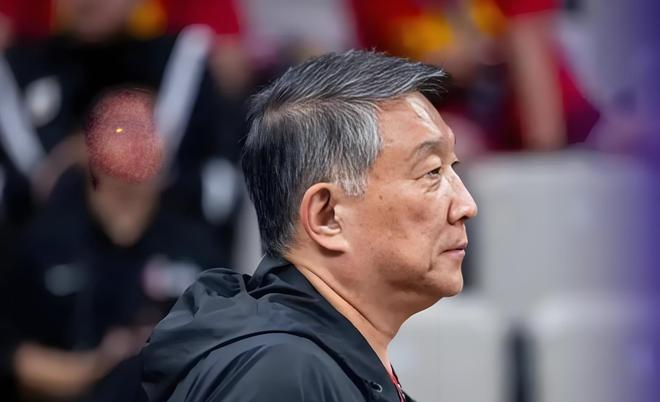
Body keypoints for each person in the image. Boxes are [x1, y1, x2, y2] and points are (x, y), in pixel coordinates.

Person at [141, 50, 478, 402]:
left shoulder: (305, 362)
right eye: (432, 172)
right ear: (326, 216)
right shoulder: (279, 376)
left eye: (453, 167)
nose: (466, 205)